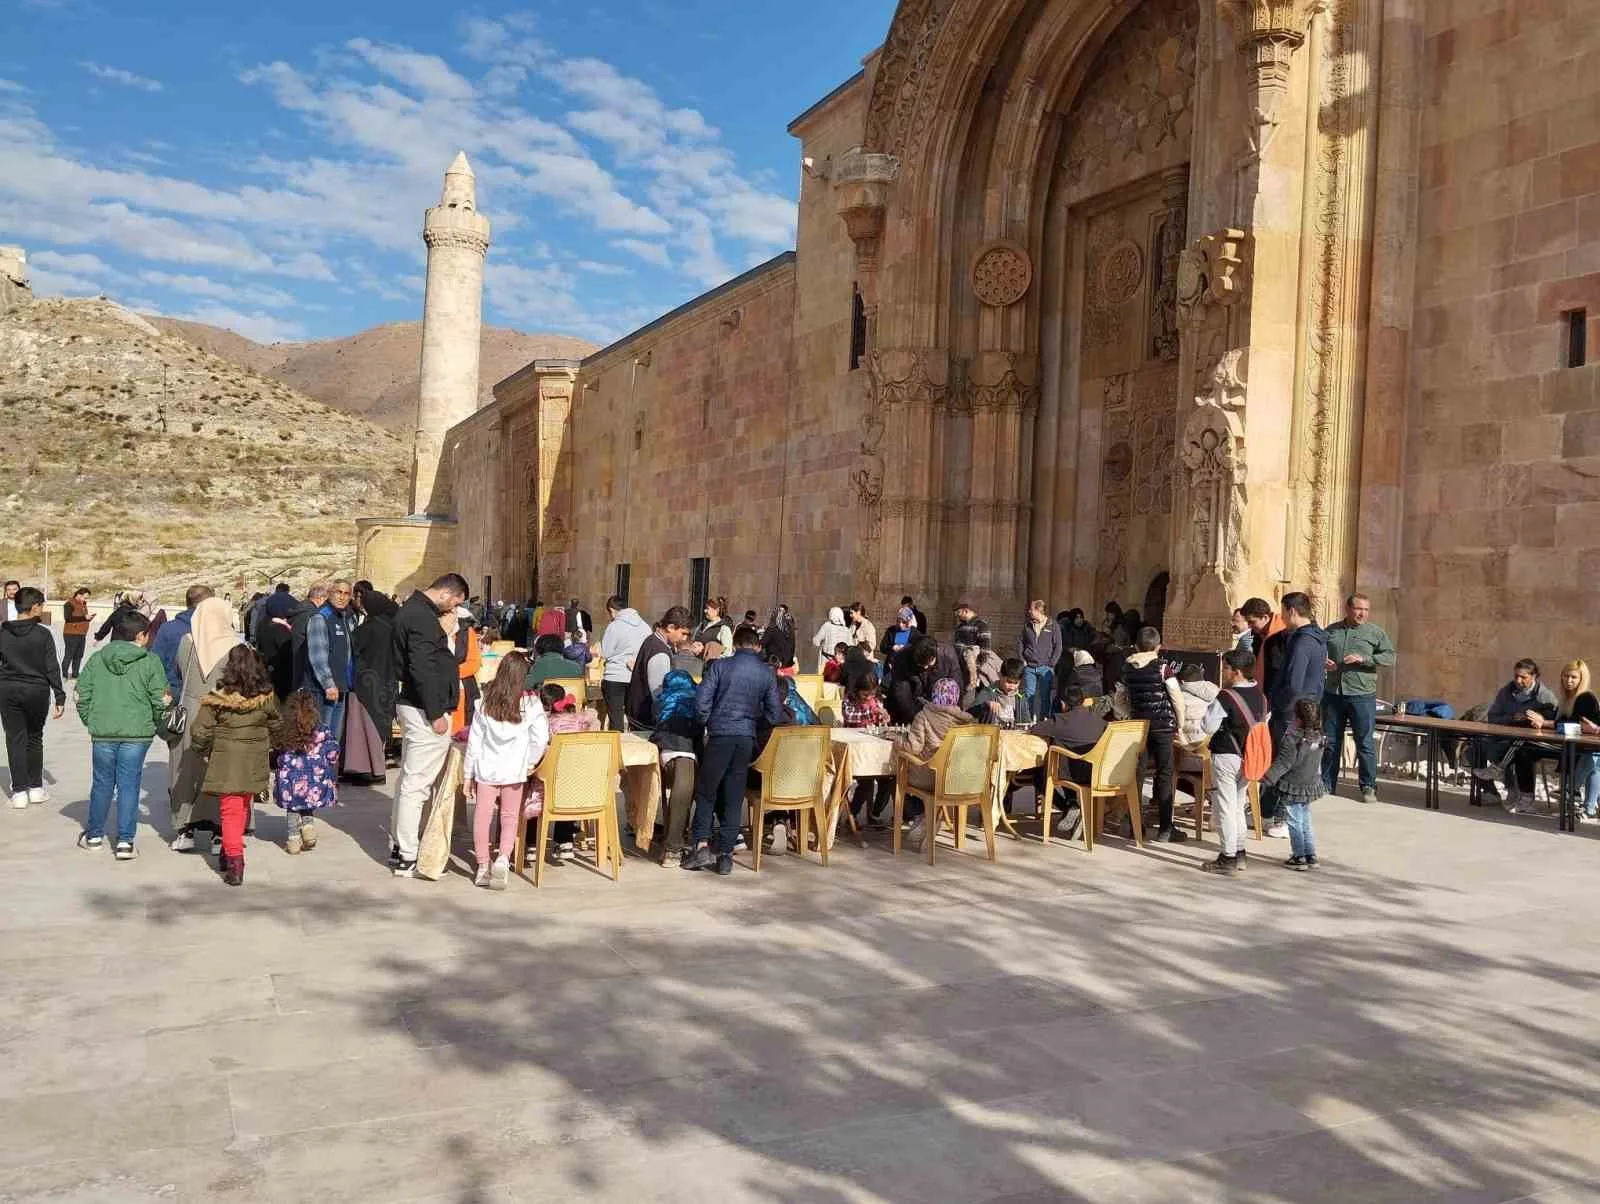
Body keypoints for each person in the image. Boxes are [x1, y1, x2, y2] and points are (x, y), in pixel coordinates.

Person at [682, 625, 786, 876]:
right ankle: (726, 854)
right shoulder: (766, 673)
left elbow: (701, 701)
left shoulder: (719, 666)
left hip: (720, 734)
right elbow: (774, 712)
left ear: (736, 644)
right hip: (745, 737)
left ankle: (702, 844)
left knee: (707, 791)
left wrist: (707, 720)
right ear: (756, 645)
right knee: (733, 794)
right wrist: (752, 722)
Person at [389, 573, 468, 878]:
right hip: (425, 710)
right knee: (416, 784)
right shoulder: (421, 618)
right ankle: (408, 854)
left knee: (409, 780)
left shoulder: (414, 611)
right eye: (455, 603)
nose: (453, 610)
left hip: (414, 706)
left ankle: (401, 846)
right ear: (448, 595)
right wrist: (436, 713)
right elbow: (421, 667)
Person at [75, 609, 167, 857]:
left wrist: (91, 721)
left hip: (103, 732)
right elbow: (161, 700)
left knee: (102, 783)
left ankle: (94, 835)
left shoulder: (96, 659)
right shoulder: (150, 661)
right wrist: (155, 724)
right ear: (141, 636)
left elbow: (82, 694)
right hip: (137, 734)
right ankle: (125, 841)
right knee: (129, 785)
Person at [187, 645, 279, 886]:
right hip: (254, 760)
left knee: (229, 810)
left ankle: (236, 863)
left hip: (226, 760)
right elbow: (278, 726)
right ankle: (229, 851)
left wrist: (204, 750)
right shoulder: (266, 697)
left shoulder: (218, 698)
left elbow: (199, 731)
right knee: (243, 804)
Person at [463, 652, 550, 890]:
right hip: (514, 769)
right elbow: (541, 738)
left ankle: (482, 865)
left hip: (486, 769)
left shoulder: (483, 703)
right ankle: (503, 857)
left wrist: (467, 774)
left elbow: (474, 743)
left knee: (482, 817)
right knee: (510, 817)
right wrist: (530, 761)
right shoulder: (531, 705)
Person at [167, 596, 243, 850]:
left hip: (191, 710)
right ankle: (220, 832)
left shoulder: (188, 642)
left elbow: (179, 672)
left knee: (187, 769)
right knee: (221, 770)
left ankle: (184, 830)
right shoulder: (237, 647)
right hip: (224, 712)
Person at [1262, 593, 1327, 838]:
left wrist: (1278, 703)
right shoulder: (1317, 638)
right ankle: (1268, 811)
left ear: (1291, 611)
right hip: (1307, 709)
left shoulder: (1301, 642)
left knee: (1285, 764)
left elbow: (1294, 682)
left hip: (1291, 712)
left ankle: (1281, 818)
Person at [1321, 592, 1396, 804]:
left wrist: (1364, 658)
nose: (1362, 613)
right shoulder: (1332, 631)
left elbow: (1389, 657)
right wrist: (1323, 661)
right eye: (1358, 609)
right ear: (1348, 609)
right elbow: (1318, 652)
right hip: (1333, 693)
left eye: (1365, 609)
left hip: (1361, 695)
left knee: (1364, 742)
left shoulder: (1375, 633)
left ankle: (1368, 786)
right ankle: (1327, 783)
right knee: (1331, 742)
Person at [1198, 648, 1267, 876]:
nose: (1224, 671)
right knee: (1238, 805)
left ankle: (1227, 857)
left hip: (1227, 755)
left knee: (1226, 807)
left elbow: (1207, 726)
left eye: (1226, 667)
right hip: (1250, 756)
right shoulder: (1261, 696)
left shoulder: (1226, 697)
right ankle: (1239, 852)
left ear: (1237, 672)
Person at [0, 587, 66, 808]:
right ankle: (36, 788)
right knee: (34, 738)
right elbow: (52, 667)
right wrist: (59, 696)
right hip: (37, 691)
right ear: (35, 606)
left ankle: (19, 792)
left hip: (8, 690)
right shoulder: (43, 634)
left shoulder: (3, 632)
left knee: (15, 739)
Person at [1122, 626, 1188, 843]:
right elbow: (1176, 697)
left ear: (1136, 646)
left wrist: (1128, 714)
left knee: (1138, 773)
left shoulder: (1128, 667)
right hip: (1162, 726)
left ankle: (1135, 825)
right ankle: (1166, 828)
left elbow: (1120, 697)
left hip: (1139, 726)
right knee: (1165, 774)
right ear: (1158, 647)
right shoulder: (1163, 667)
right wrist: (1180, 724)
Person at [894, 678, 972, 853]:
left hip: (930, 777)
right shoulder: (966, 721)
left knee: (900, 774)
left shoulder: (924, 716)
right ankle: (928, 819)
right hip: (958, 778)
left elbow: (914, 747)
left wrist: (897, 742)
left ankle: (922, 818)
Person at [528, 682, 602, 866]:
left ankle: (531, 843)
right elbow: (595, 722)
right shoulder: (580, 722)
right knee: (567, 783)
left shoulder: (545, 724)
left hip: (546, 786)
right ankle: (565, 841)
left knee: (533, 786)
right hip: (578, 788)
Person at [1476, 658, 1560, 811]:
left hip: (1529, 741)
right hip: (1502, 734)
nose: (1518, 680)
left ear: (1534, 676)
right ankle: (1490, 790)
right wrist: (1512, 718)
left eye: (1523, 677)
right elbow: (1493, 717)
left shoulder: (1545, 697)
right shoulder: (1506, 691)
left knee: (1517, 750)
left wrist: (1534, 721)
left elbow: (1552, 723)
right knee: (1474, 748)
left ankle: (1508, 782)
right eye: (1516, 676)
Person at [1028, 682, 1108, 840]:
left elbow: (1035, 728)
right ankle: (1074, 808)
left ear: (1063, 703)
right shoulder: (1099, 721)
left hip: (1071, 773)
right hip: (1096, 772)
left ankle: (1070, 806)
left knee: (1038, 776)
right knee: (1070, 754)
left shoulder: (1060, 721)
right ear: (1083, 701)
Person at [272, 689, 340, 856]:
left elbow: (276, 750)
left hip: (290, 782)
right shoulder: (321, 729)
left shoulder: (285, 730)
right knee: (307, 800)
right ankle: (308, 829)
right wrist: (328, 762)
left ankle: (294, 839)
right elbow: (333, 752)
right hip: (315, 780)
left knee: (293, 807)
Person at [1263, 697, 1326, 870]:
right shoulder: (1319, 737)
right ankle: (1310, 855)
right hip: (1309, 784)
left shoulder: (1293, 739)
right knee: (1305, 820)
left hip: (1293, 785)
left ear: (1297, 718)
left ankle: (1299, 857)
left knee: (1294, 821)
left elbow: (1283, 763)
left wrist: (1266, 778)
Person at [344, 586, 398, 784]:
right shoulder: (392, 626)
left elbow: (355, 652)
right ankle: (376, 768)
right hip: (387, 682)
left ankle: (369, 770)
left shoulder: (368, 628)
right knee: (380, 726)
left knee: (364, 727)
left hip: (366, 683)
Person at [650, 669, 701, 868]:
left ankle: (673, 846)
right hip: (690, 754)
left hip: (668, 753)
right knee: (683, 795)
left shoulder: (660, 701)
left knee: (680, 794)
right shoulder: (698, 699)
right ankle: (673, 846)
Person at [297, 580, 354, 742]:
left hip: (341, 687)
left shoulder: (344, 619)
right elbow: (317, 654)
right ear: (329, 594)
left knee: (332, 741)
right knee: (319, 738)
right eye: (338, 592)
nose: (342, 597)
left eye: (346, 593)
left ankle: (330, 768)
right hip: (323, 689)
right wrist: (328, 683)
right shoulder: (320, 617)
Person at [625, 607, 693, 732]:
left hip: (639, 715)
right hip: (646, 720)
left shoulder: (652, 641)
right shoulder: (659, 652)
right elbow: (659, 693)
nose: (684, 638)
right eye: (683, 633)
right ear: (670, 627)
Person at [1553, 661, 1600, 823]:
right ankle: (1587, 806)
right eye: (1566, 676)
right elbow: (1562, 723)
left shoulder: (1586, 698)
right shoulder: (1566, 699)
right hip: (1577, 745)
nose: (1569, 680)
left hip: (1590, 746)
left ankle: (1572, 791)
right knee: (1594, 765)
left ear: (1582, 679)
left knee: (1594, 760)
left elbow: (1579, 726)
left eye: (1574, 677)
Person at [598, 596, 650, 732]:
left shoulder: (614, 626)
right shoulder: (645, 626)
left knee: (616, 717)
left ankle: (616, 747)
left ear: (611, 610)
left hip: (615, 676)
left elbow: (606, 652)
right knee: (635, 716)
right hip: (636, 676)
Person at [151, 585, 214, 696]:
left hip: (173, 694)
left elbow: (155, 664)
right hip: (208, 697)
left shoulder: (167, 628)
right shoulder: (218, 630)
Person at [443, 605, 482, 735]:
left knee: (458, 736)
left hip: (462, 691)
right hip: (438, 693)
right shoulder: (431, 632)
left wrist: (449, 673)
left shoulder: (466, 632)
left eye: (452, 613)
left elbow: (474, 663)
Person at [1019, 600, 1062, 716]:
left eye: (1031, 609)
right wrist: (1022, 659)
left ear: (1038, 610)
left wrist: (1051, 664)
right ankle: (1027, 720)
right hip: (1029, 666)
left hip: (1045, 667)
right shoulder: (1027, 625)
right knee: (1028, 694)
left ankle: (1043, 720)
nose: (1029, 611)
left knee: (1045, 696)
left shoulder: (1053, 625)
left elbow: (1058, 646)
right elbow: (1021, 642)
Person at [887, 637, 939, 724]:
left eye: (928, 663)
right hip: (907, 712)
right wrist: (918, 721)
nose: (925, 667)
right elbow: (903, 697)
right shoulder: (902, 659)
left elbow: (957, 686)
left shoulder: (947, 656)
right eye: (922, 664)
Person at [971, 657, 1032, 727]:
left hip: (1013, 735)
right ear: (1000, 675)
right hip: (992, 734)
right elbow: (971, 712)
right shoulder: (988, 691)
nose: (1012, 687)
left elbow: (1026, 721)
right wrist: (985, 705)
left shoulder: (1020, 697)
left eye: (1016, 683)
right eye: (1009, 682)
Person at [1177, 663, 1219, 747]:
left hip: (1188, 742)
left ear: (1182, 681)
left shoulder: (1179, 696)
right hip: (1212, 740)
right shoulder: (1215, 690)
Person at [1238, 596, 1282, 665]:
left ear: (1265, 617)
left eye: (1252, 622)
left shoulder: (1284, 633)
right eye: (1247, 622)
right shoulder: (1257, 634)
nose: (1249, 626)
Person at [61, 588, 93, 679]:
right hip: (71, 633)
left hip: (82, 633)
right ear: (79, 595)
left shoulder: (83, 604)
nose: (85, 600)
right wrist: (84, 618)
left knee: (79, 655)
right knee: (69, 654)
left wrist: (88, 618)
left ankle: (75, 674)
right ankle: (64, 674)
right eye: (85, 598)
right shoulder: (69, 604)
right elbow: (68, 618)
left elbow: (82, 617)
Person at [690, 597, 733, 661]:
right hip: (695, 662)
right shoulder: (702, 624)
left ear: (717, 610)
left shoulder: (724, 628)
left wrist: (706, 653)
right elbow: (692, 639)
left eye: (707, 608)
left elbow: (727, 653)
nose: (705, 611)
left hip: (710, 666)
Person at [812, 607, 853, 673]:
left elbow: (816, 641)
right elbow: (851, 647)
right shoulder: (847, 630)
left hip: (827, 661)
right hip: (841, 662)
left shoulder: (826, 626)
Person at [761, 604, 797, 672]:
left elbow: (762, 644)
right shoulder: (789, 627)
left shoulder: (772, 629)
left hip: (775, 666)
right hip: (788, 665)